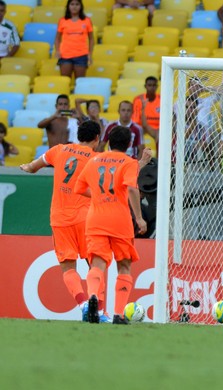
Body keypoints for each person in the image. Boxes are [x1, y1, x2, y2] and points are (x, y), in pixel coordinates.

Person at [19, 121, 102, 321]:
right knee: (95, 265)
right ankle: (98, 309)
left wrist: (26, 166)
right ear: (97, 139)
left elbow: (33, 167)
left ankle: (83, 305)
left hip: (60, 218)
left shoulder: (59, 150)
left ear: (78, 135)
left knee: (68, 267)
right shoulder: (97, 158)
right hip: (85, 218)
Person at [74, 126, 150, 324]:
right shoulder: (128, 162)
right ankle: (118, 314)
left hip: (96, 219)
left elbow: (79, 188)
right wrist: (140, 218)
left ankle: (92, 296)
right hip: (119, 221)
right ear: (128, 145)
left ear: (108, 142)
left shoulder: (94, 160)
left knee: (97, 263)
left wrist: (100, 196)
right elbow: (132, 189)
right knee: (124, 265)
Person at [54, 0, 94, 79]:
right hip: (65, 55)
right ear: (68, 6)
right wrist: (58, 51)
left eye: (77, 4)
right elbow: (57, 38)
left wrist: (90, 54)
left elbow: (91, 39)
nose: (74, 6)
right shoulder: (62, 20)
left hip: (81, 55)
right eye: (72, 4)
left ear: (80, 6)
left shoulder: (87, 21)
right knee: (65, 81)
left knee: (80, 81)